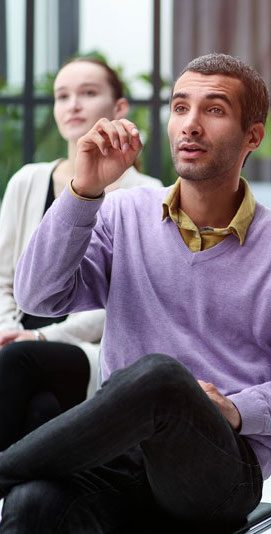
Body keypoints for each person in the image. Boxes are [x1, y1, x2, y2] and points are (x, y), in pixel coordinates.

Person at [0, 53, 271, 532]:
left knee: (164, 378)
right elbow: (38, 298)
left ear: (253, 136)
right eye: (181, 107)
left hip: (219, 471)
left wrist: (236, 408)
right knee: (31, 503)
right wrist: (82, 191)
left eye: (215, 110)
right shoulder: (121, 214)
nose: (191, 125)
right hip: (120, 458)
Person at [0, 56, 161, 452]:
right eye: (62, 96)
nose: (72, 105)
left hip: (90, 351)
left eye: (88, 93)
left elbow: (117, 302)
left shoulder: (146, 193)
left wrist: (38, 337)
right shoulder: (28, 181)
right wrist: (10, 331)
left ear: (119, 108)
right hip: (15, 346)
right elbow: (4, 276)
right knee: (40, 410)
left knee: (24, 371)